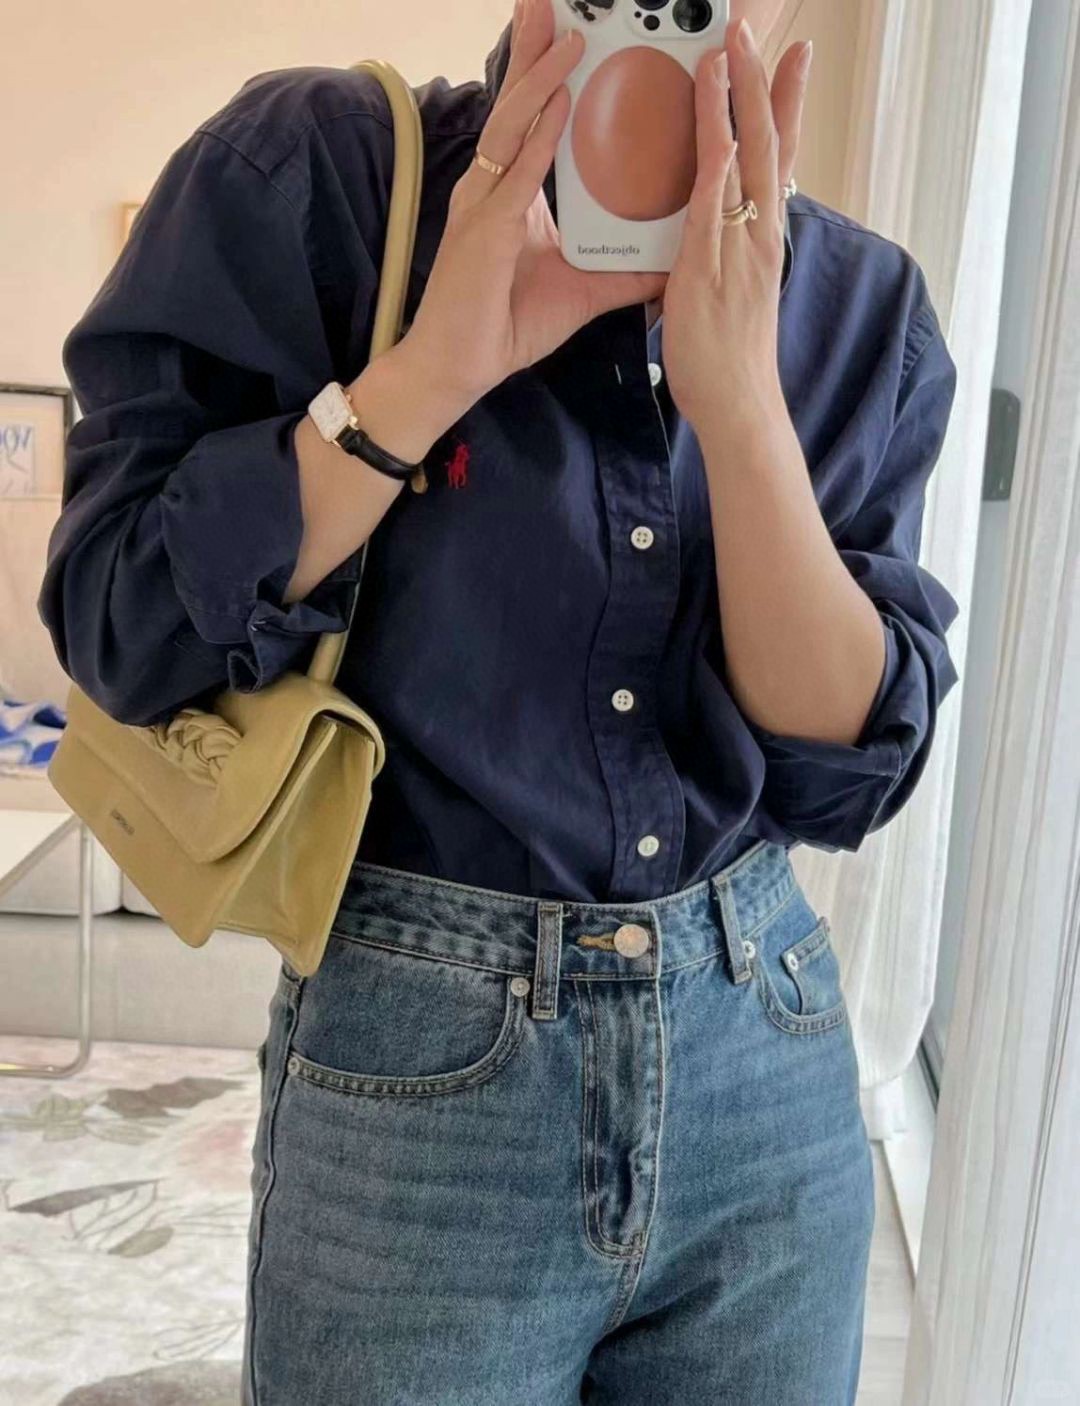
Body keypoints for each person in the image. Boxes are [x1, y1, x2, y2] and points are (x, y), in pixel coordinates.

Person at [40, 0, 961, 1400]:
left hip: (759, 1056)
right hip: (421, 1089)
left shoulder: (858, 306)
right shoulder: (318, 181)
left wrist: (740, 408)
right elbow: (120, 621)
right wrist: (428, 375)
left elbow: (844, 770)